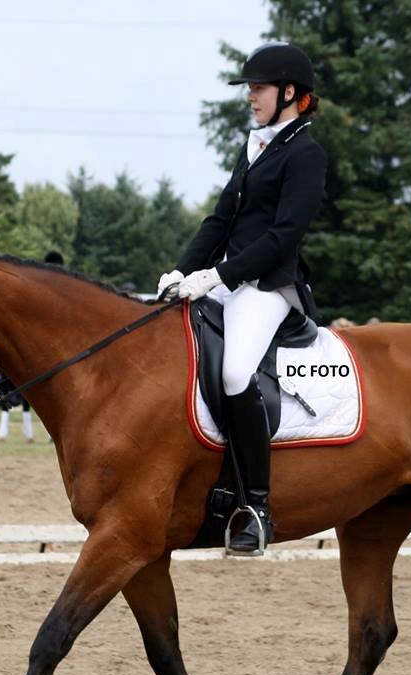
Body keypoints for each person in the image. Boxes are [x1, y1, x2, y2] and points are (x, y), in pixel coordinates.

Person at [156, 42, 327, 556]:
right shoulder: (256, 144)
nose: (250, 96)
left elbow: (283, 236)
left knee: (235, 373)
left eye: (258, 88)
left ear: (289, 93)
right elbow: (220, 221)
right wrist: (181, 271)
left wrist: (216, 276)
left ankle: (257, 506)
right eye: (249, 88)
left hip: (271, 286)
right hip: (229, 280)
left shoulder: (306, 152)